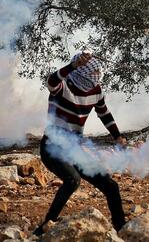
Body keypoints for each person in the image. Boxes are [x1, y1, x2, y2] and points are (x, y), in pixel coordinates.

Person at [34, 52, 128, 235]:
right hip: (52, 147)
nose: (95, 78)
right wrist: (74, 65)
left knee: (111, 186)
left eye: (98, 74)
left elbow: (104, 113)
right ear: (78, 72)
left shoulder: (96, 91)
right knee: (72, 180)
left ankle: (121, 228)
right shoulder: (62, 86)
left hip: (75, 149)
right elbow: (51, 80)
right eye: (92, 75)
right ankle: (45, 227)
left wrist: (117, 136)